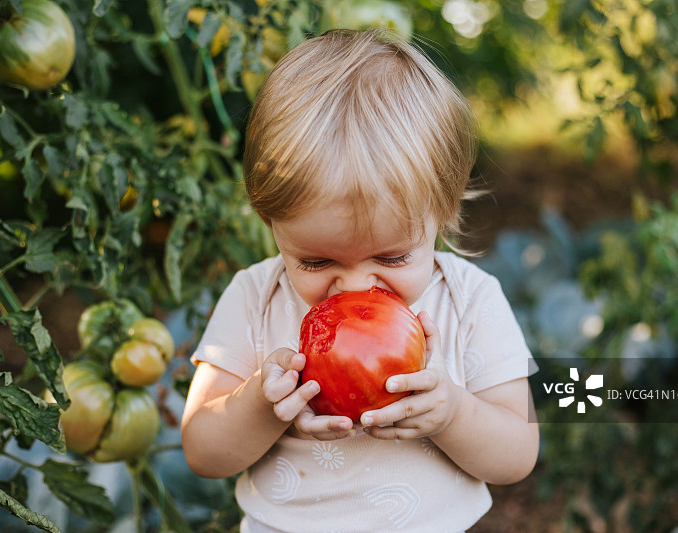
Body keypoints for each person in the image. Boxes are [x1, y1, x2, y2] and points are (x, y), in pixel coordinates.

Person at [181, 28, 539, 533]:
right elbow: (202, 449)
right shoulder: (255, 298)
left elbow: (518, 454)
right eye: (315, 262)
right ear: (273, 226)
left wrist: (454, 413)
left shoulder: (470, 301)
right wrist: (262, 408)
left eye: (391, 257)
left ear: (443, 213)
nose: (352, 289)